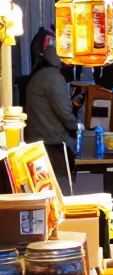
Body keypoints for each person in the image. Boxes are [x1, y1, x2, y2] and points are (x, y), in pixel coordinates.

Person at [25, 44, 78, 195]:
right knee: (62, 184)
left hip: (38, 137)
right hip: (52, 141)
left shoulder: (40, 75)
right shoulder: (53, 78)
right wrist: (77, 127)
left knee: (44, 185)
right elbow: (64, 112)